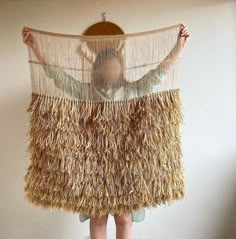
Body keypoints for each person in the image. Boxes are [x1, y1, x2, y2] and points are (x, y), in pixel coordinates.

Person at [22, 23, 190, 239]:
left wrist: (179, 46)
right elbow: (59, 77)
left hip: (126, 164)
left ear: (121, 69)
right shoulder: (87, 92)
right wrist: (35, 47)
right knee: (98, 218)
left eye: (116, 67)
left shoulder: (133, 91)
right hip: (95, 164)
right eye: (107, 67)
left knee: (124, 218)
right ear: (98, 69)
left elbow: (159, 73)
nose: (112, 70)